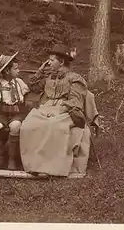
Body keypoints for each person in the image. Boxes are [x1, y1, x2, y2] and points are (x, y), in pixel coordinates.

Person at [19, 44, 90, 177]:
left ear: (61, 62)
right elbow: (32, 87)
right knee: (29, 124)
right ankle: (35, 165)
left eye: (52, 60)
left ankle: (51, 168)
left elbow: (76, 102)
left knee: (53, 125)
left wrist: (59, 111)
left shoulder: (75, 78)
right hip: (46, 108)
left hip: (66, 110)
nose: (48, 63)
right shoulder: (49, 78)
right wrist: (40, 70)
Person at [0, 47, 30, 170]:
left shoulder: (18, 82)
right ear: (7, 71)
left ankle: (12, 158)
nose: (18, 70)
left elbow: (27, 92)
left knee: (15, 126)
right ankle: (0, 157)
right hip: (2, 114)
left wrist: (23, 90)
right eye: (15, 69)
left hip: (17, 113)